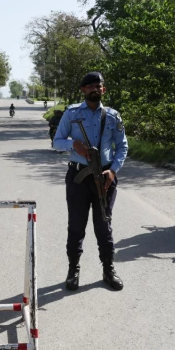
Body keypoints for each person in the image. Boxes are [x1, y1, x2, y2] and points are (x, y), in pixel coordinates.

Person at [53, 72, 128, 291]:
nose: (96, 89)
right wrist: (73, 145)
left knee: (104, 225)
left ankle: (108, 269)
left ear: (104, 90)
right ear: (83, 90)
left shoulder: (113, 116)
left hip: (105, 177)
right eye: (91, 86)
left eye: (99, 86)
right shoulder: (72, 113)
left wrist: (113, 171)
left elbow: (122, 146)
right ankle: (73, 270)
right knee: (76, 225)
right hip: (78, 176)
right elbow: (57, 141)